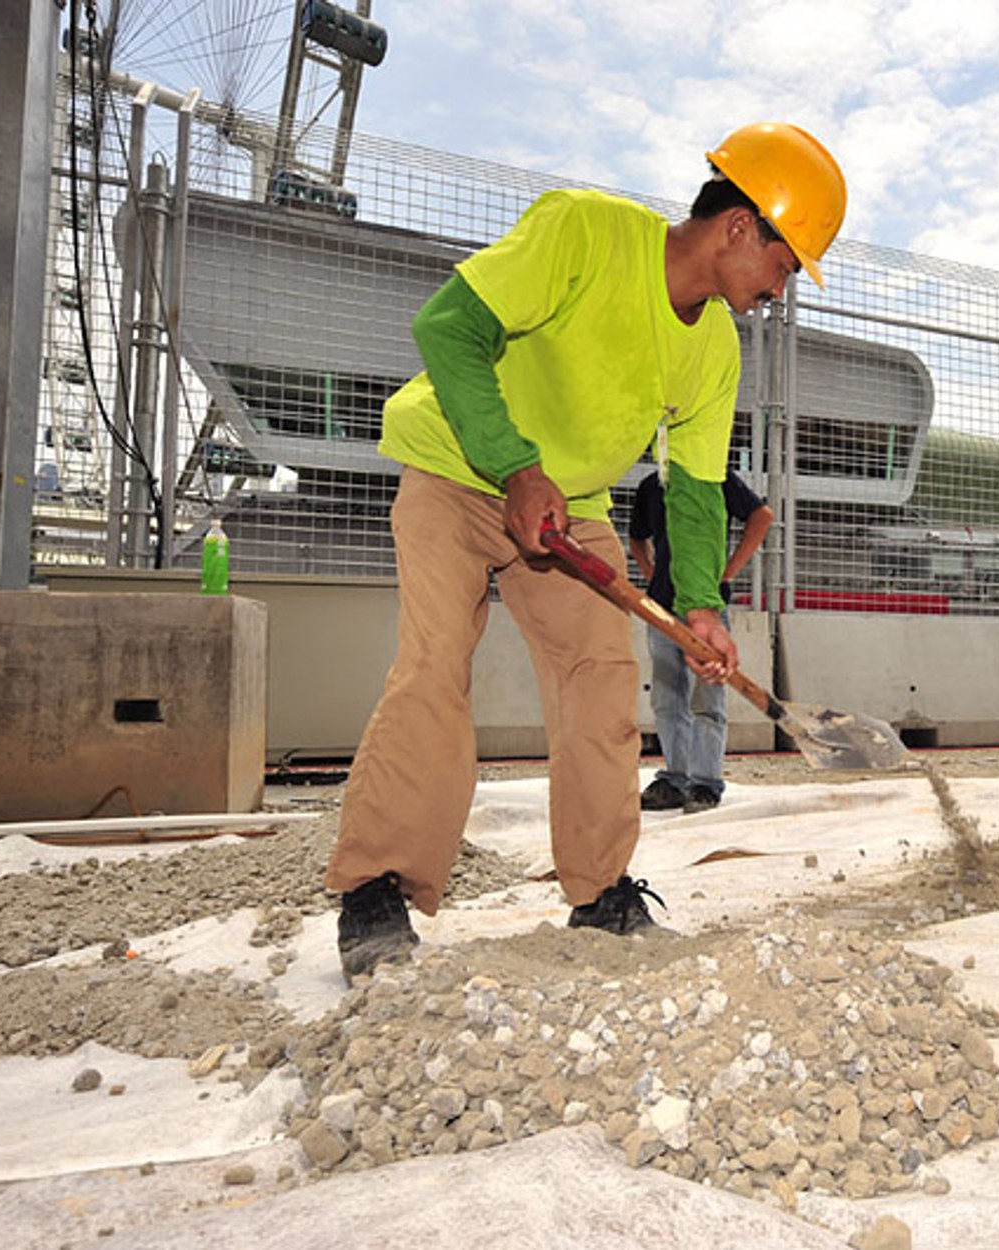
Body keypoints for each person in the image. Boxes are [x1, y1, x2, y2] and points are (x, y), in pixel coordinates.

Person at [325, 124, 847, 981]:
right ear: (739, 228)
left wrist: (703, 610)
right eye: (787, 265)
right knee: (433, 666)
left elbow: (695, 489)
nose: (781, 289)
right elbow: (448, 326)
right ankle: (376, 890)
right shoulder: (585, 232)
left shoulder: (715, 347)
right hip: (458, 468)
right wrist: (516, 468)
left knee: (601, 674)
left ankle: (600, 891)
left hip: (569, 509)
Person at [629, 465, 773, 814]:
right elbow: (637, 538)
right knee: (667, 697)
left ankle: (705, 783)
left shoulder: (716, 477)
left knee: (707, 697)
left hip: (705, 604)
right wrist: (653, 578)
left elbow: (761, 516)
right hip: (662, 607)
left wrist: (727, 572)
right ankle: (675, 779)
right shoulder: (652, 486)